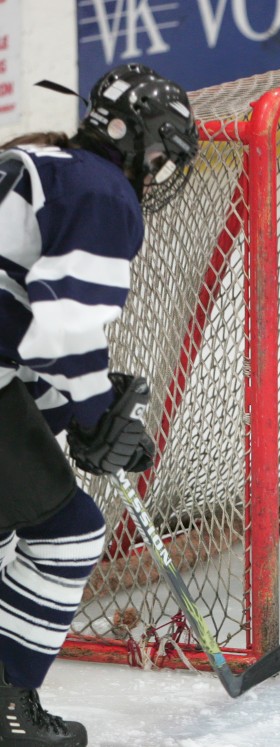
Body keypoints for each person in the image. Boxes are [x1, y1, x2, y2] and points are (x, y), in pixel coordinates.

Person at [1, 64, 198, 745]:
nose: (159, 172)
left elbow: (28, 344)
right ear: (128, 137)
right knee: (70, 532)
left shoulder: (38, 160)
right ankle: (6, 709)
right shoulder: (103, 190)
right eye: (160, 154)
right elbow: (62, 335)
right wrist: (94, 415)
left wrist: (83, 405)